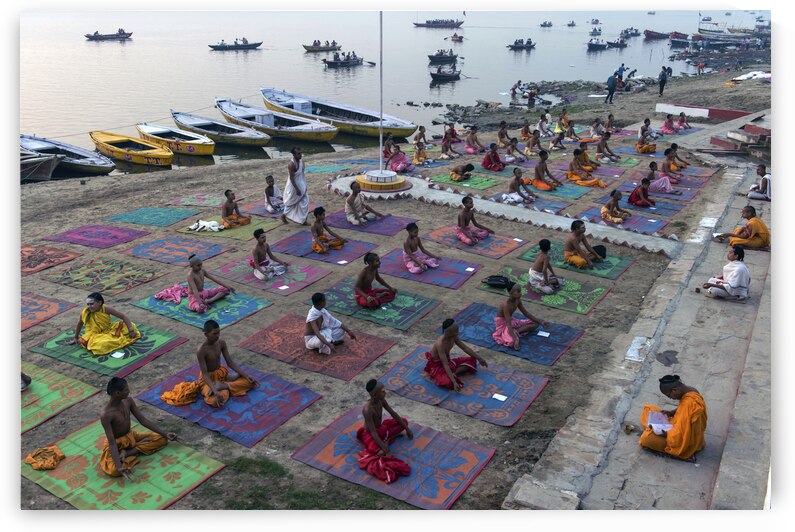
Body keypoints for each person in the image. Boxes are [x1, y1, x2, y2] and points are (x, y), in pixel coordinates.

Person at [100, 377, 178, 480]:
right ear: (117, 393)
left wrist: (165, 433)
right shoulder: (106, 415)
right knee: (114, 470)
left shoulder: (128, 401)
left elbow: (143, 420)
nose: (129, 391)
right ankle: (126, 452)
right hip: (117, 442)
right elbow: (112, 443)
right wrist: (119, 468)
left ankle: (128, 452)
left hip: (131, 435)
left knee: (162, 439)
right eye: (126, 390)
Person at [638, 375, 707, 460]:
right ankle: (653, 428)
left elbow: (681, 434)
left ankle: (688, 454)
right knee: (648, 409)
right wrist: (672, 412)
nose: (670, 398)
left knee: (645, 439)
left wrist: (666, 434)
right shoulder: (691, 390)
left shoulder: (688, 403)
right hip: (678, 423)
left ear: (674, 390)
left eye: (669, 396)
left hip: (687, 440)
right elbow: (683, 410)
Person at [196, 320, 257, 408]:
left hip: (221, 374)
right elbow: (205, 374)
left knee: (250, 382)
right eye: (214, 334)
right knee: (214, 401)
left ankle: (224, 385)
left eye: (218, 333)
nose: (217, 336)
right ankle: (225, 387)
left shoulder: (221, 343)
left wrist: (246, 375)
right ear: (206, 334)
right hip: (208, 380)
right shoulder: (201, 350)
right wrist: (215, 391)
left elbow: (230, 362)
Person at [424, 318, 488, 391]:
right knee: (448, 382)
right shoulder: (440, 344)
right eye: (455, 331)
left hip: (448, 362)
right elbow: (445, 364)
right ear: (447, 332)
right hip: (438, 366)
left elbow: (465, 348)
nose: (457, 333)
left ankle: (454, 374)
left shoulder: (453, 337)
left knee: (473, 359)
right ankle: (452, 376)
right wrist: (454, 382)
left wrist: (479, 358)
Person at [67, 292, 140, 355]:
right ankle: (116, 340)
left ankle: (116, 339)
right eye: (88, 304)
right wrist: (76, 337)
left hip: (109, 328)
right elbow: (80, 324)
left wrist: (131, 330)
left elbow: (123, 316)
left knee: (131, 325)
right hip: (94, 335)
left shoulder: (106, 309)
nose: (89, 306)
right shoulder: (85, 312)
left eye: (91, 304)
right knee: (99, 345)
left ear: (99, 303)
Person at [358, 379, 413, 458]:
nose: (385, 392)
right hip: (371, 434)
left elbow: (393, 413)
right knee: (381, 453)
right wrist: (387, 450)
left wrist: (407, 429)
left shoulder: (381, 400)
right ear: (375, 395)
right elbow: (373, 432)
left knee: (404, 422)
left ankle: (387, 439)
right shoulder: (368, 410)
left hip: (381, 429)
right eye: (382, 391)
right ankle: (387, 439)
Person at [493, 282, 549, 349]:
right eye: (518, 292)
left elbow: (526, 313)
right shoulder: (506, 305)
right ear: (510, 293)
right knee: (512, 342)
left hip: (511, 321)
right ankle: (512, 333)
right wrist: (515, 339)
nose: (520, 293)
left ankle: (517, 331)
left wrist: (540, 322)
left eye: (520, 291)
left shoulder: (518, 300)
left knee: (536, 323)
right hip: (503, 323)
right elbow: (508, 324)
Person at [282, 147, 309, 225]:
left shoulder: (302, 161)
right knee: (291, 202)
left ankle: (303, 220)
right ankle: (284, 215)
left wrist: (303, 184)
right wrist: (297, 189)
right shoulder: (291, 164)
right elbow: (291, 178)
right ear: (294, 155)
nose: (300, 155)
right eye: (298, 153)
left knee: (305, 201)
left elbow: (302, 174)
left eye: (301, 153)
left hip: (301, 183)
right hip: (293, 186)